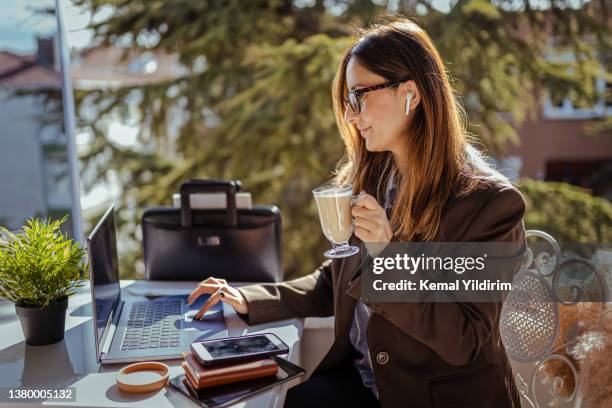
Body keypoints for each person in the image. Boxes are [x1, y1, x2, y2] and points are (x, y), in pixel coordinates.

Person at [187, 18, 526, 408]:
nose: (350, 116)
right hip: (367, 381)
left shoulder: (489, 203)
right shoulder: (375, 176)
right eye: (348, 101)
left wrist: (388, 253)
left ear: (410, 95)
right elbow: (335, 282)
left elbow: (463, 339)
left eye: (358, 96)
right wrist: (249, 299)